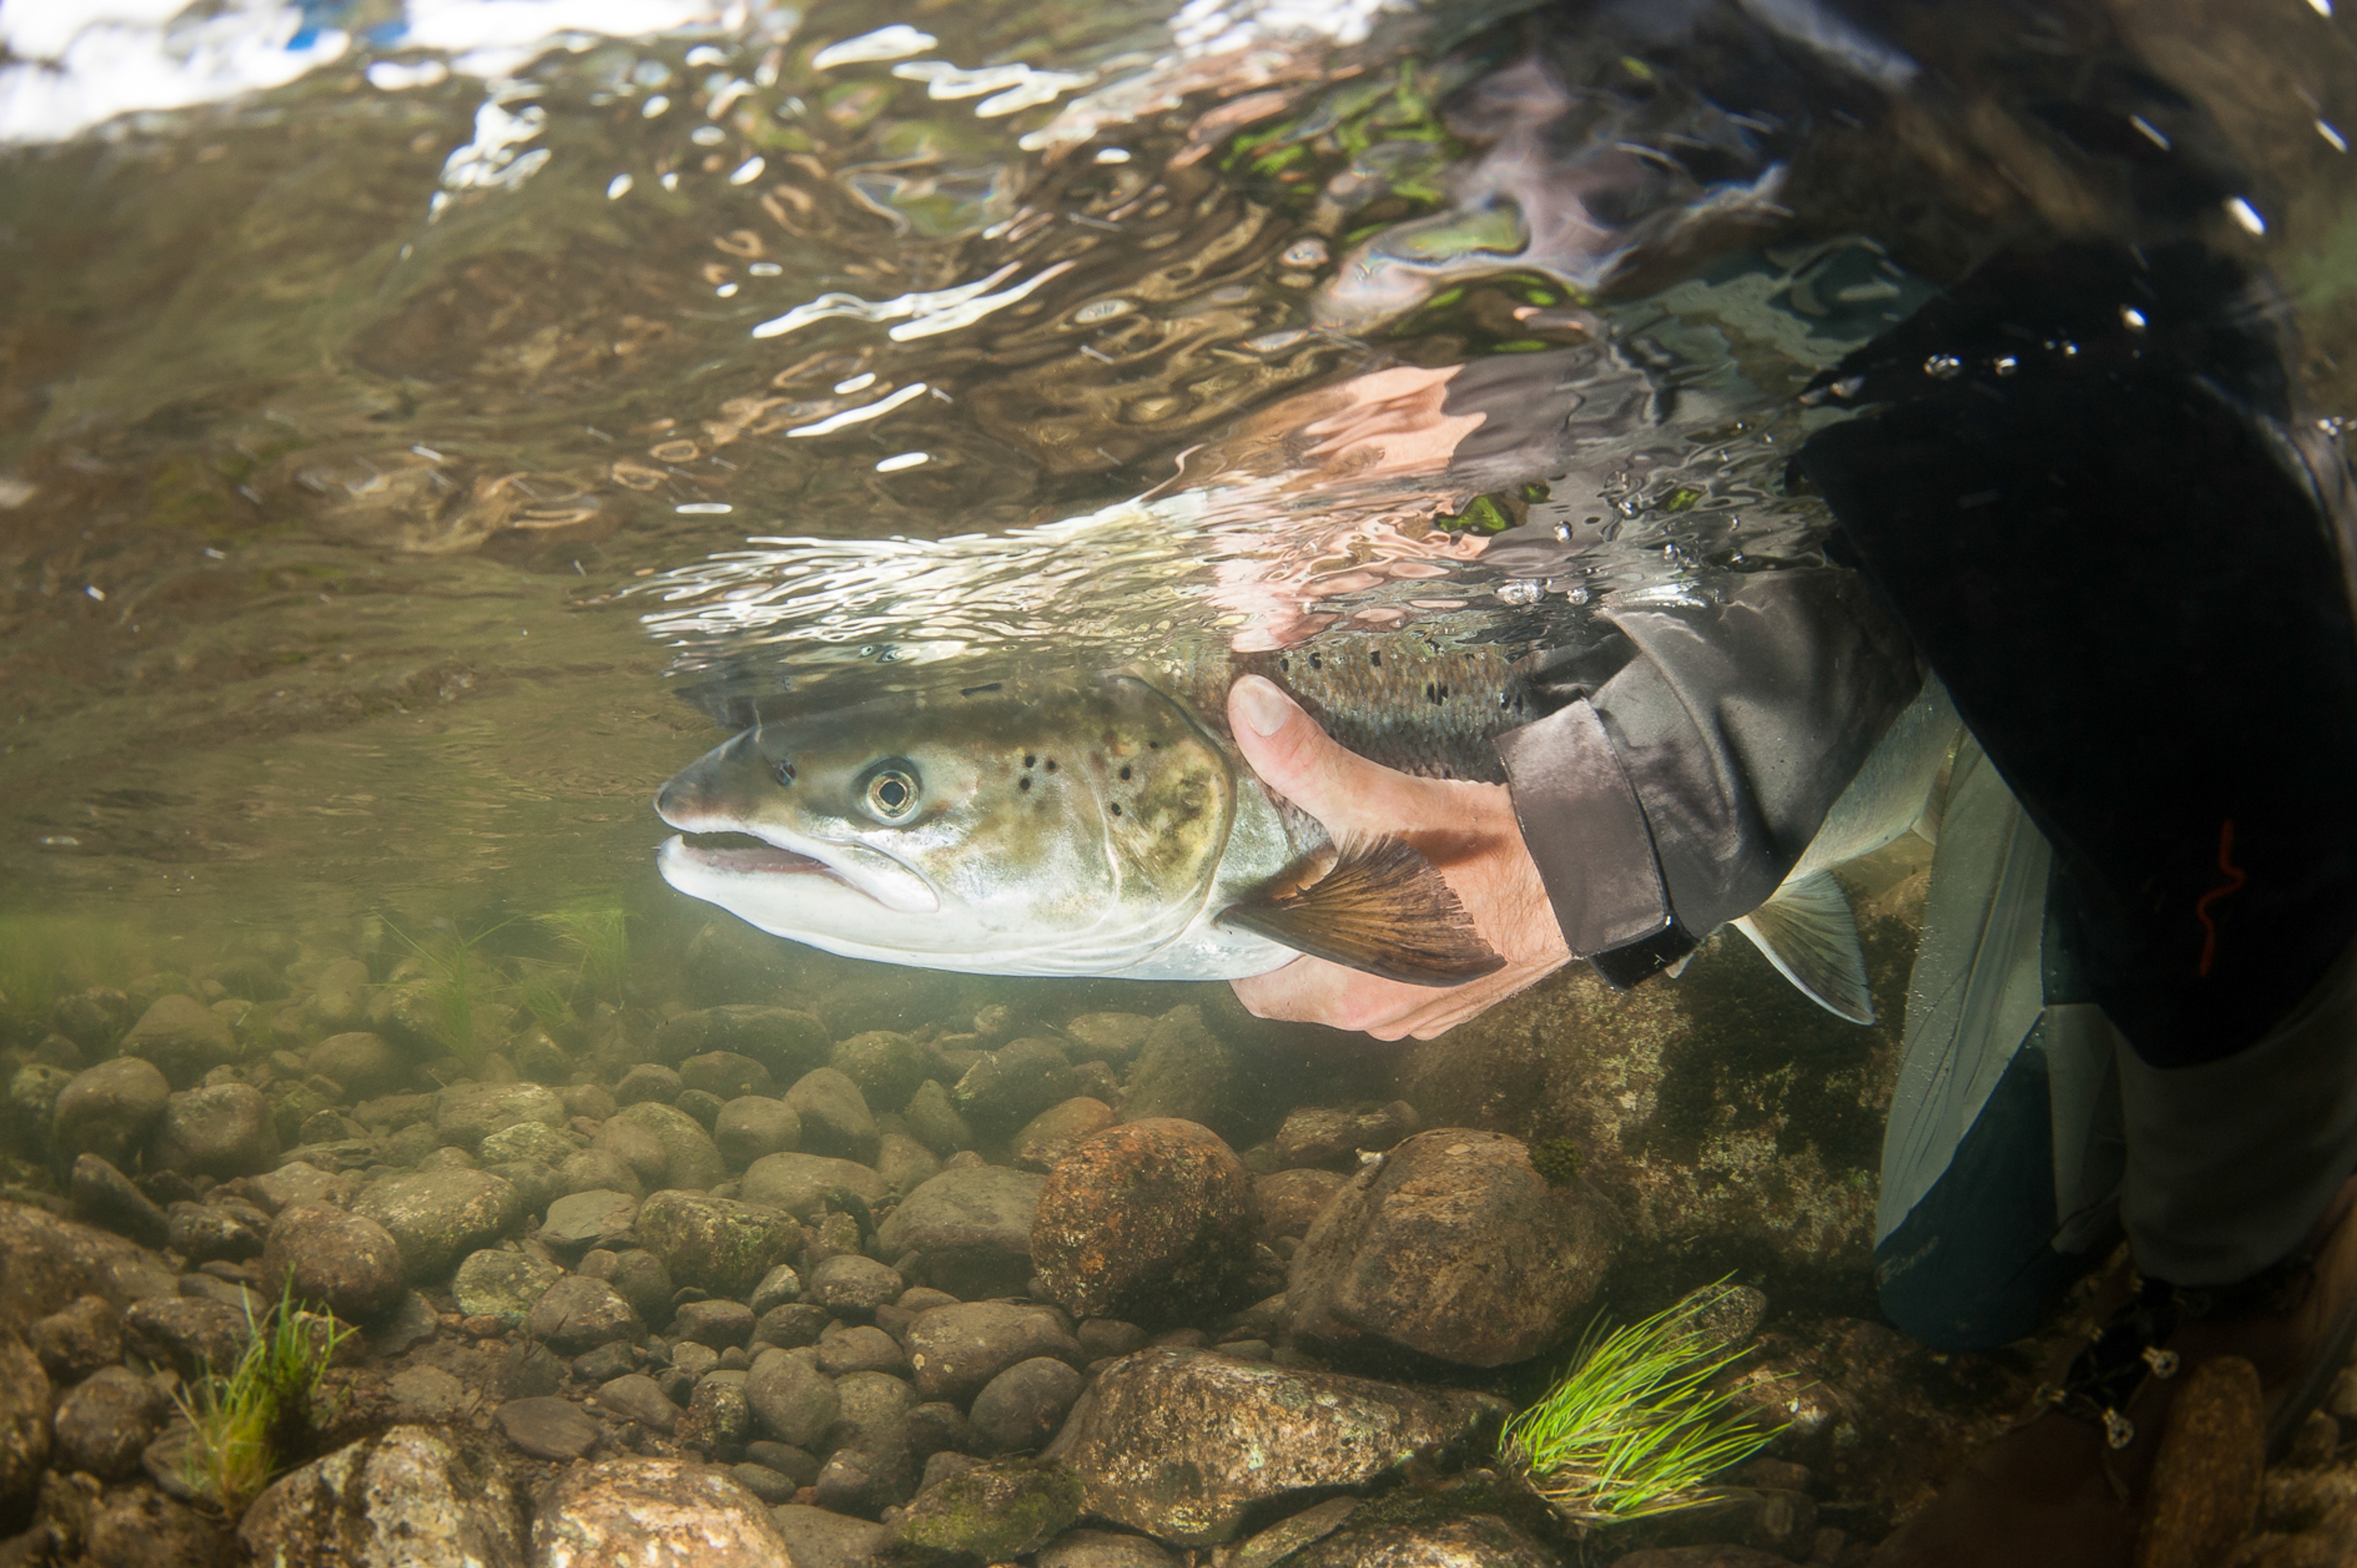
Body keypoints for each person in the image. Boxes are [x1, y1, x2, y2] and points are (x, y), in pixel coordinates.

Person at [1227, 238, 2357, 1567]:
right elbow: (1905, 520)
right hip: (2058, 623)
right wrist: (1637, 819)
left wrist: (2236, 1289)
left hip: (2276, 609)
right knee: (1960, 1288)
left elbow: (2112, 443)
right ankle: (2058, 777)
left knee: (2227, 1185)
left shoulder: (2017, 186)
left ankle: (2276, 1240)